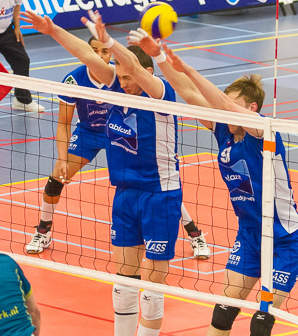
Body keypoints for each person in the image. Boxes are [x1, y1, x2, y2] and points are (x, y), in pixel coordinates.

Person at [129, 32, 298, 336]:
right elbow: (188, 93)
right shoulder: (223, 129)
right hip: (250, 234)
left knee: (260, 324)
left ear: (251, 108)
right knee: (222, 314)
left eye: (230, 107)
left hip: (285, 238)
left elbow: (221, 101)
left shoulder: (263, 131)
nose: (221, 111)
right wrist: (159, 57)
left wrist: (189, 67)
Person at [22, 11, 184, 336]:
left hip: (159, 196)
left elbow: (136, 68)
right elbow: (85, 56)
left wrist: (111, 41)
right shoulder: (115, 88)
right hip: (125, 195)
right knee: (123, 283)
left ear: (145, 73)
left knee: (153, 287)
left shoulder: (160, 94)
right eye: (119, 77)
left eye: (127, 77)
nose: (122, 82)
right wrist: (52, 30)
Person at [23, 33, 210, 260]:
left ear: (111, 53)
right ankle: (43, 230)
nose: (100, 56)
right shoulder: (75, 79)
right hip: (89, 132)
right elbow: (63, 123)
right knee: (56, 178)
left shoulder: (120, 76)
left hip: (122, 132)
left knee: (156, 183)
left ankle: (194, 233)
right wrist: (62, 158)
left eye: (105, 51)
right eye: (95, 51)